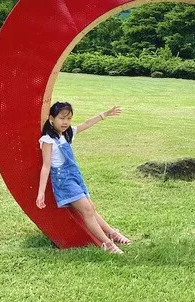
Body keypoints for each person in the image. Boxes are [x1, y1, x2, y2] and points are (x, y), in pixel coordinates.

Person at [35, 101, 130, 254]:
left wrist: (104, 114)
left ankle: (112, 234)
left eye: (69, 118)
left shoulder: (67, 133)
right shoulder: (48, 140)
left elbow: (87, 124)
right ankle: (107, 244)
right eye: (62, 118)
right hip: (63, 180)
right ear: (52, 119)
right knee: (87, 210)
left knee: (91, 208)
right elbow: (46, 166)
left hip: (74, 176)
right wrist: (40, 193)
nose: (65, 122)